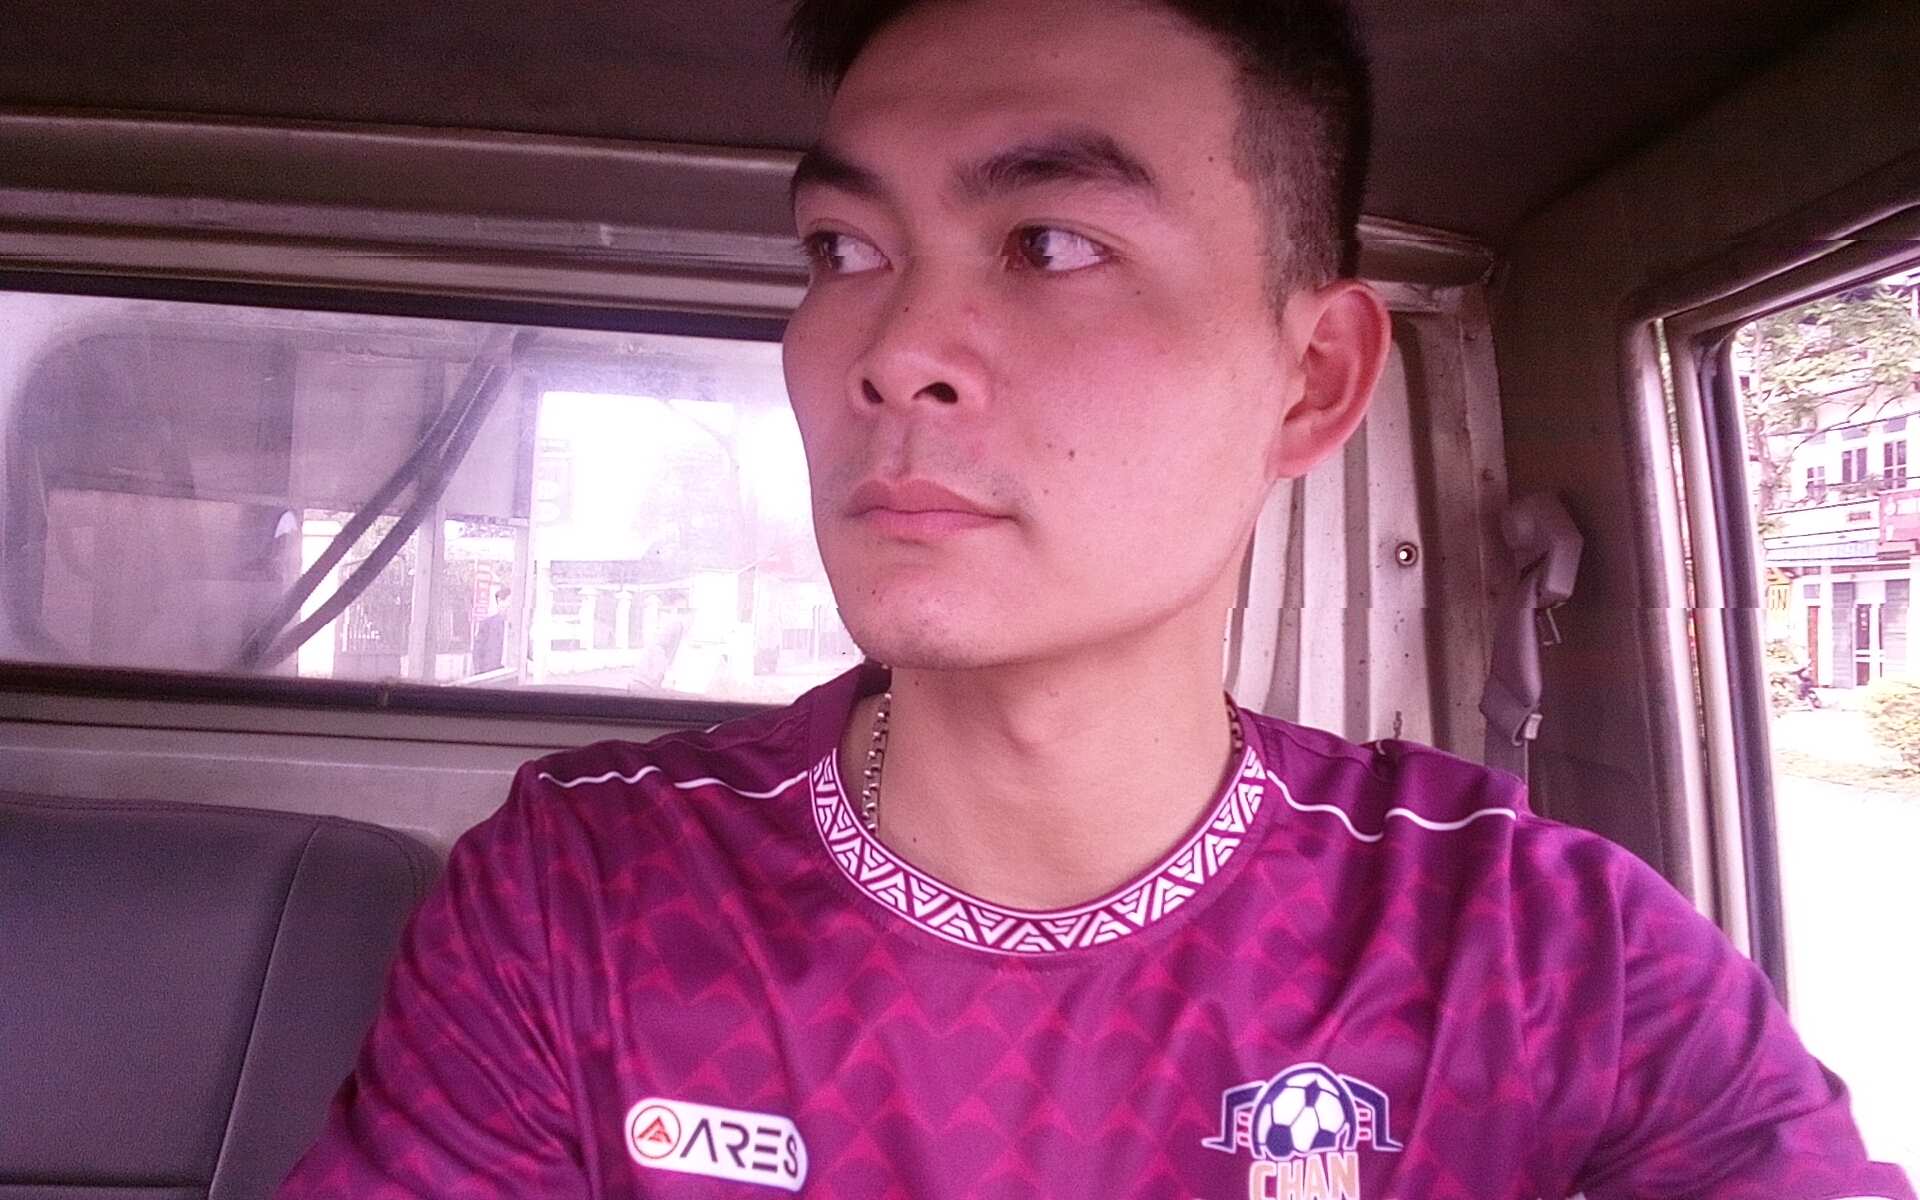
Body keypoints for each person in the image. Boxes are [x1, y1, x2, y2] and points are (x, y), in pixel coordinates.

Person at [277, 0, 1916, 1196]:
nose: (893, 354)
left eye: (1049, 243)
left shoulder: (1548, 955)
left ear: (1310, 380)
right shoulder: (582, 895)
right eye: (843, 249)